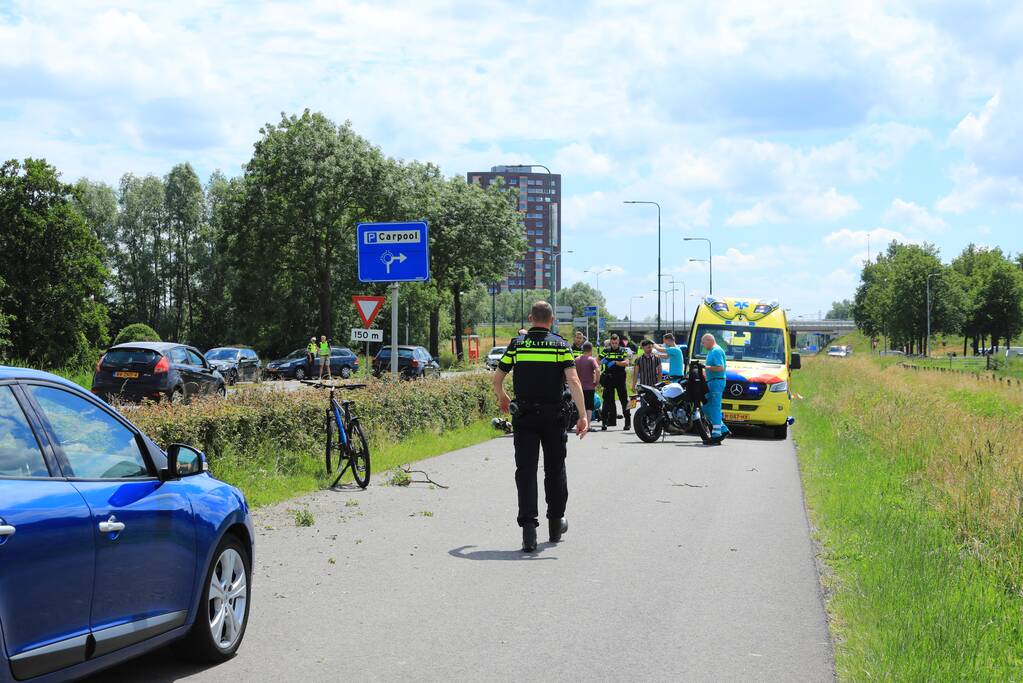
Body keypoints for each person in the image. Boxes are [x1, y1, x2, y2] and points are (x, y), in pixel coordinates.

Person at [493, 301, 588, 552]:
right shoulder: (560, 345)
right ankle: (556, 525)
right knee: (555, 469)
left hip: (524, 416)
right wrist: (582, 415)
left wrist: (502, 397)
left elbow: (498, 378)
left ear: (530, 318)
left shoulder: (517, 345)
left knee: (525, 471)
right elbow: (574, 380)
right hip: (554, 415)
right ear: (552, 319)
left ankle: (528, 532)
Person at [598, 333, 630, 431]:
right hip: (609, 378)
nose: (614, 345)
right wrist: (602, 361)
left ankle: (627, 422)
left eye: (616, 343)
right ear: (610, 342)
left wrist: (616, 362)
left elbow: (627, 362)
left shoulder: (622, 350)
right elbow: (597, 361)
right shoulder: (606, 351)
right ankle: (604, 422)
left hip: (620, 378)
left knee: (624, 400)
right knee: (607, 401)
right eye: (612, 343)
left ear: (618, 341)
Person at [702, 332, 729, 442]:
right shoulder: (711, 351)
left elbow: (720, 367)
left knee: (714, 407)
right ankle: (722, 428)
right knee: (706, 407)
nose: (703, 345)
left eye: (703, 342)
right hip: (712, 381)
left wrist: (706, 367)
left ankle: (716, 434)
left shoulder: (716, 351)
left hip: (716, 382)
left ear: (709, 340)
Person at [574, 341, 600, 430]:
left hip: (578, 387)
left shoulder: (576, 359)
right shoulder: (591, 359)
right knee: (589, 407)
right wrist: (597, 381)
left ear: (582, 349)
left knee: (580, 406)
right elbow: (598, 370)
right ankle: (587, 426)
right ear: (591, 349)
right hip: (589, 387)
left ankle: (580, 424)